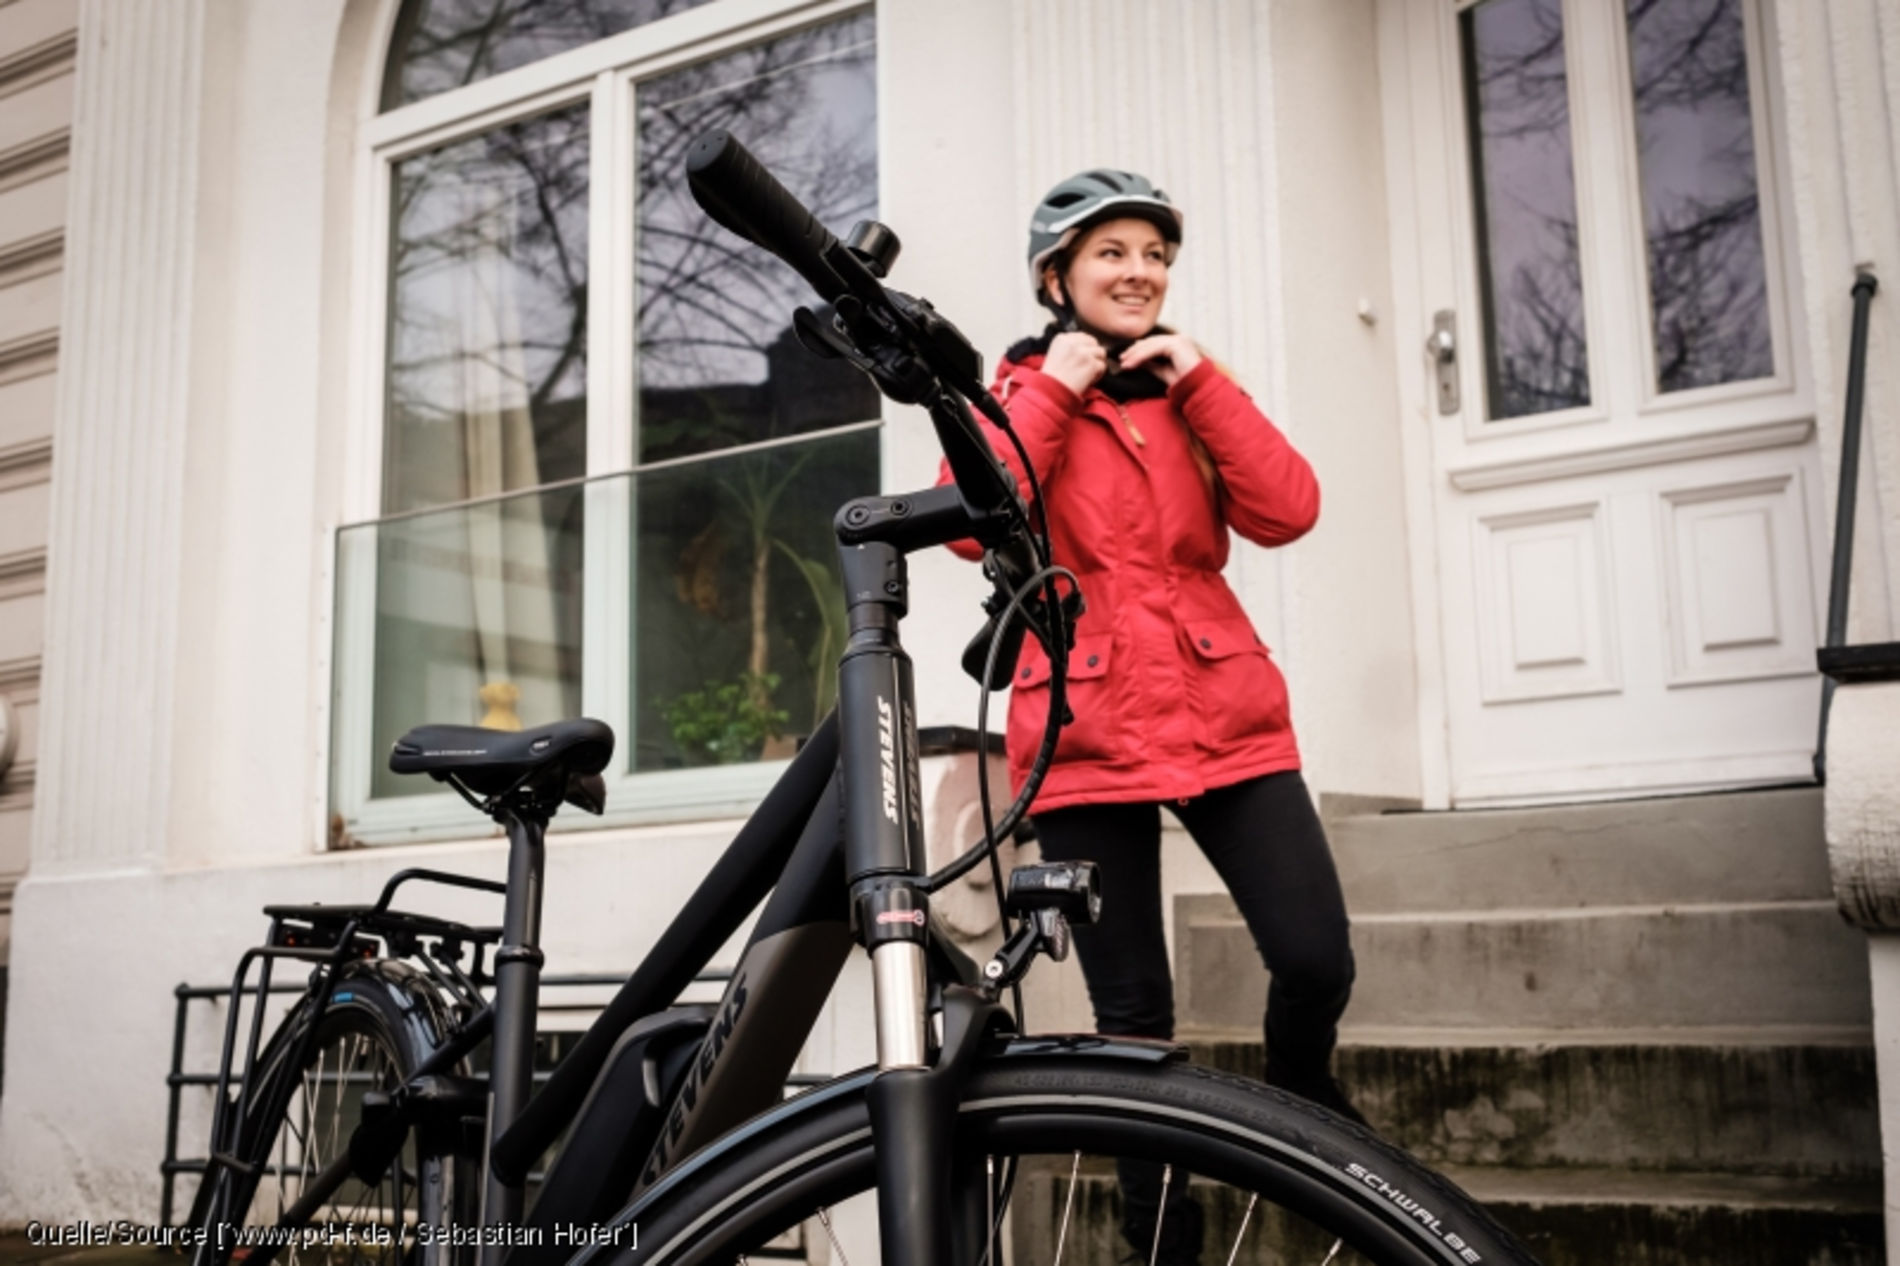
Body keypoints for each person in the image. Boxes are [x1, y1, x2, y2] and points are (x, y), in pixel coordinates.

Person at [940, 170, 1361, 1265]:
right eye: (1110, 253)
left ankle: (1304, 1089)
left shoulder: (1188, 393)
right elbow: (974, 523)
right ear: (1056, 277)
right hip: (1084, 725)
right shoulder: (1013, 394)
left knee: (1315, 957)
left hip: (1221, 706)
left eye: (1153, 254)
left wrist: (1207, 381)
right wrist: (1056, 389)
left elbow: (1288, 508)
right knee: (1133, 1018)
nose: (1139, 273)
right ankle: (1158, 1239)